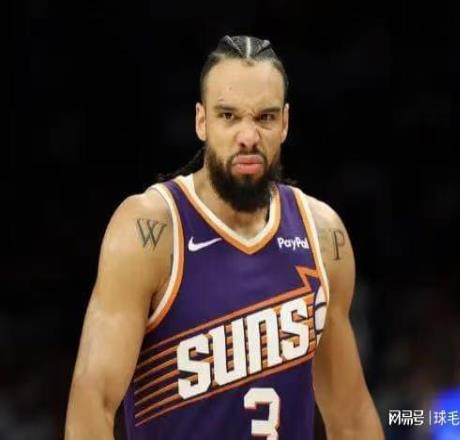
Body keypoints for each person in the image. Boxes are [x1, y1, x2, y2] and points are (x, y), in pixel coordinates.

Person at [65, 34, 384, 439]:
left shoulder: (322, 234)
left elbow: (351, 417)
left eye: (265, 117)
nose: (248, 136)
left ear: (285, 123)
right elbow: (92, 402)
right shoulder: (152, 230)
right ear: (202, 121)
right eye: (229, 116)